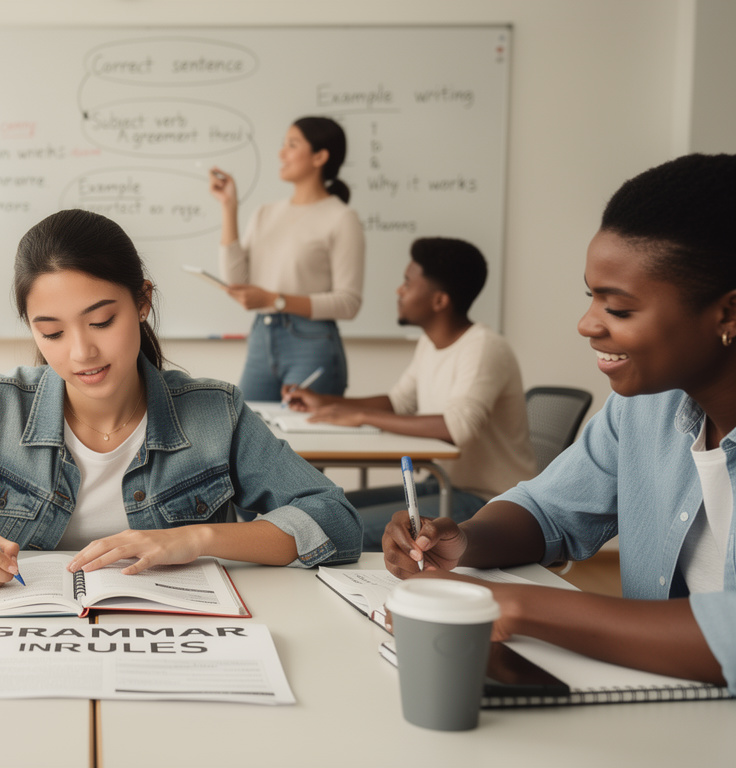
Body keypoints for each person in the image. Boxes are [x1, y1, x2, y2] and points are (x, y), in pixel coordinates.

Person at [0, 209, 361, 589]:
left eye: (102, 320)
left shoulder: (215, 414)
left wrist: (198, 538)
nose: (82, 352)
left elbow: (334, 520)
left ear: (143, 300)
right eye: (51, 332)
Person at [384, 154, 736, 692]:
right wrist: (464, 540)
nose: (587, 324)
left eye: (617, 309)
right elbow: (549, 509)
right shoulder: (645, 407)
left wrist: (520, 606)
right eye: (590, 296)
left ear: (728, 314)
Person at [288, 237, 535, 549]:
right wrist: (325, 401)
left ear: (439, 301)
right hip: (441, 485)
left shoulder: (484, 347)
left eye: (407, 282)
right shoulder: (430, 343)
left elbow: (457, 428)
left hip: (489, 501)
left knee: (334, 527)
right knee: (327, 509)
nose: (399, 290)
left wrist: (361, 415)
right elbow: (398, 403)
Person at [208, 116, 364, 399]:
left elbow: (349, 303)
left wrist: (273, 300)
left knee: (307, 440)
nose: (281, 153)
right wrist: (229, 207)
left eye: (292, 145)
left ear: (320, 156)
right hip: (261, 338)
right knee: (249, 436)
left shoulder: (341, 218)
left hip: (312, 343)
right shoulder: (265, 213)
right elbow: (236, 281)